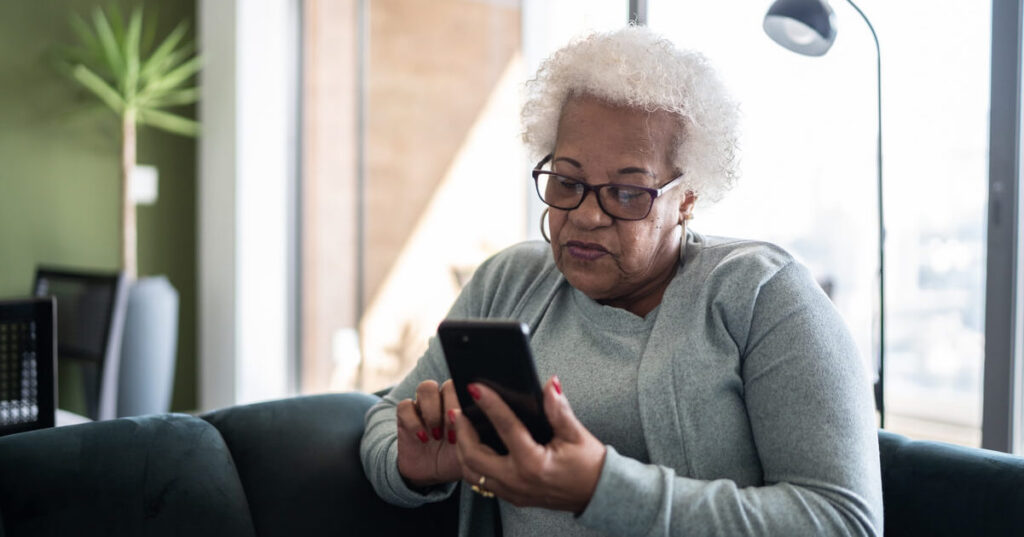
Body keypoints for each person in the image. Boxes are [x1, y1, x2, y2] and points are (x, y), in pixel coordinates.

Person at [360, 26, 882, 537]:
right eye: (567, 181)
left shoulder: (763, 294)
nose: (586, 216)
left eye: (628, 193)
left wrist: (601, 489)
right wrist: (414, 468)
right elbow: (386, 422)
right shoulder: (509, 281)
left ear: (689, 197)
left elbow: (844, 521)